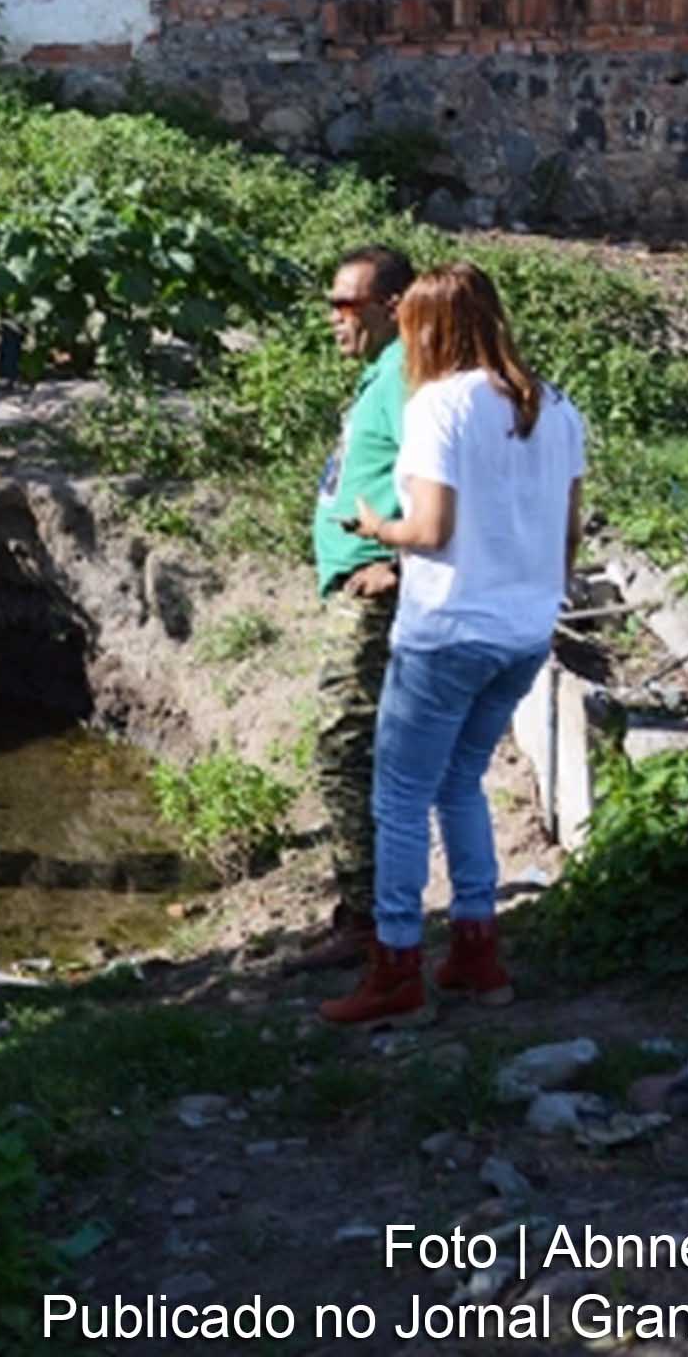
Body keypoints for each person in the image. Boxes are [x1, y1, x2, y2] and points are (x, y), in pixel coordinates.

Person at [321, 263, 586, 1028]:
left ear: (428, 328)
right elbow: (568, 531)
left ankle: (396, 966)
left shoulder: (441, 405)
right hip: (525, 631)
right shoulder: (554, 405)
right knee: (459, 782)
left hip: (447, 630)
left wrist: (376, 529)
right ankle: (477, 952)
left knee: (398, 796)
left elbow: (430, 531)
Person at [288, 246, 412, 975]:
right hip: (353, 587)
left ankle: (365, 919)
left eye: (347, 305)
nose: (334, 320)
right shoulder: (381, 376)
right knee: (356, 749)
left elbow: (445, 476)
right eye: (330, 304)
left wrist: (397, 561)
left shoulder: (405, 379)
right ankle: (361, 911)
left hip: (373, 595)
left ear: (392, 307)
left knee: (344, 749)